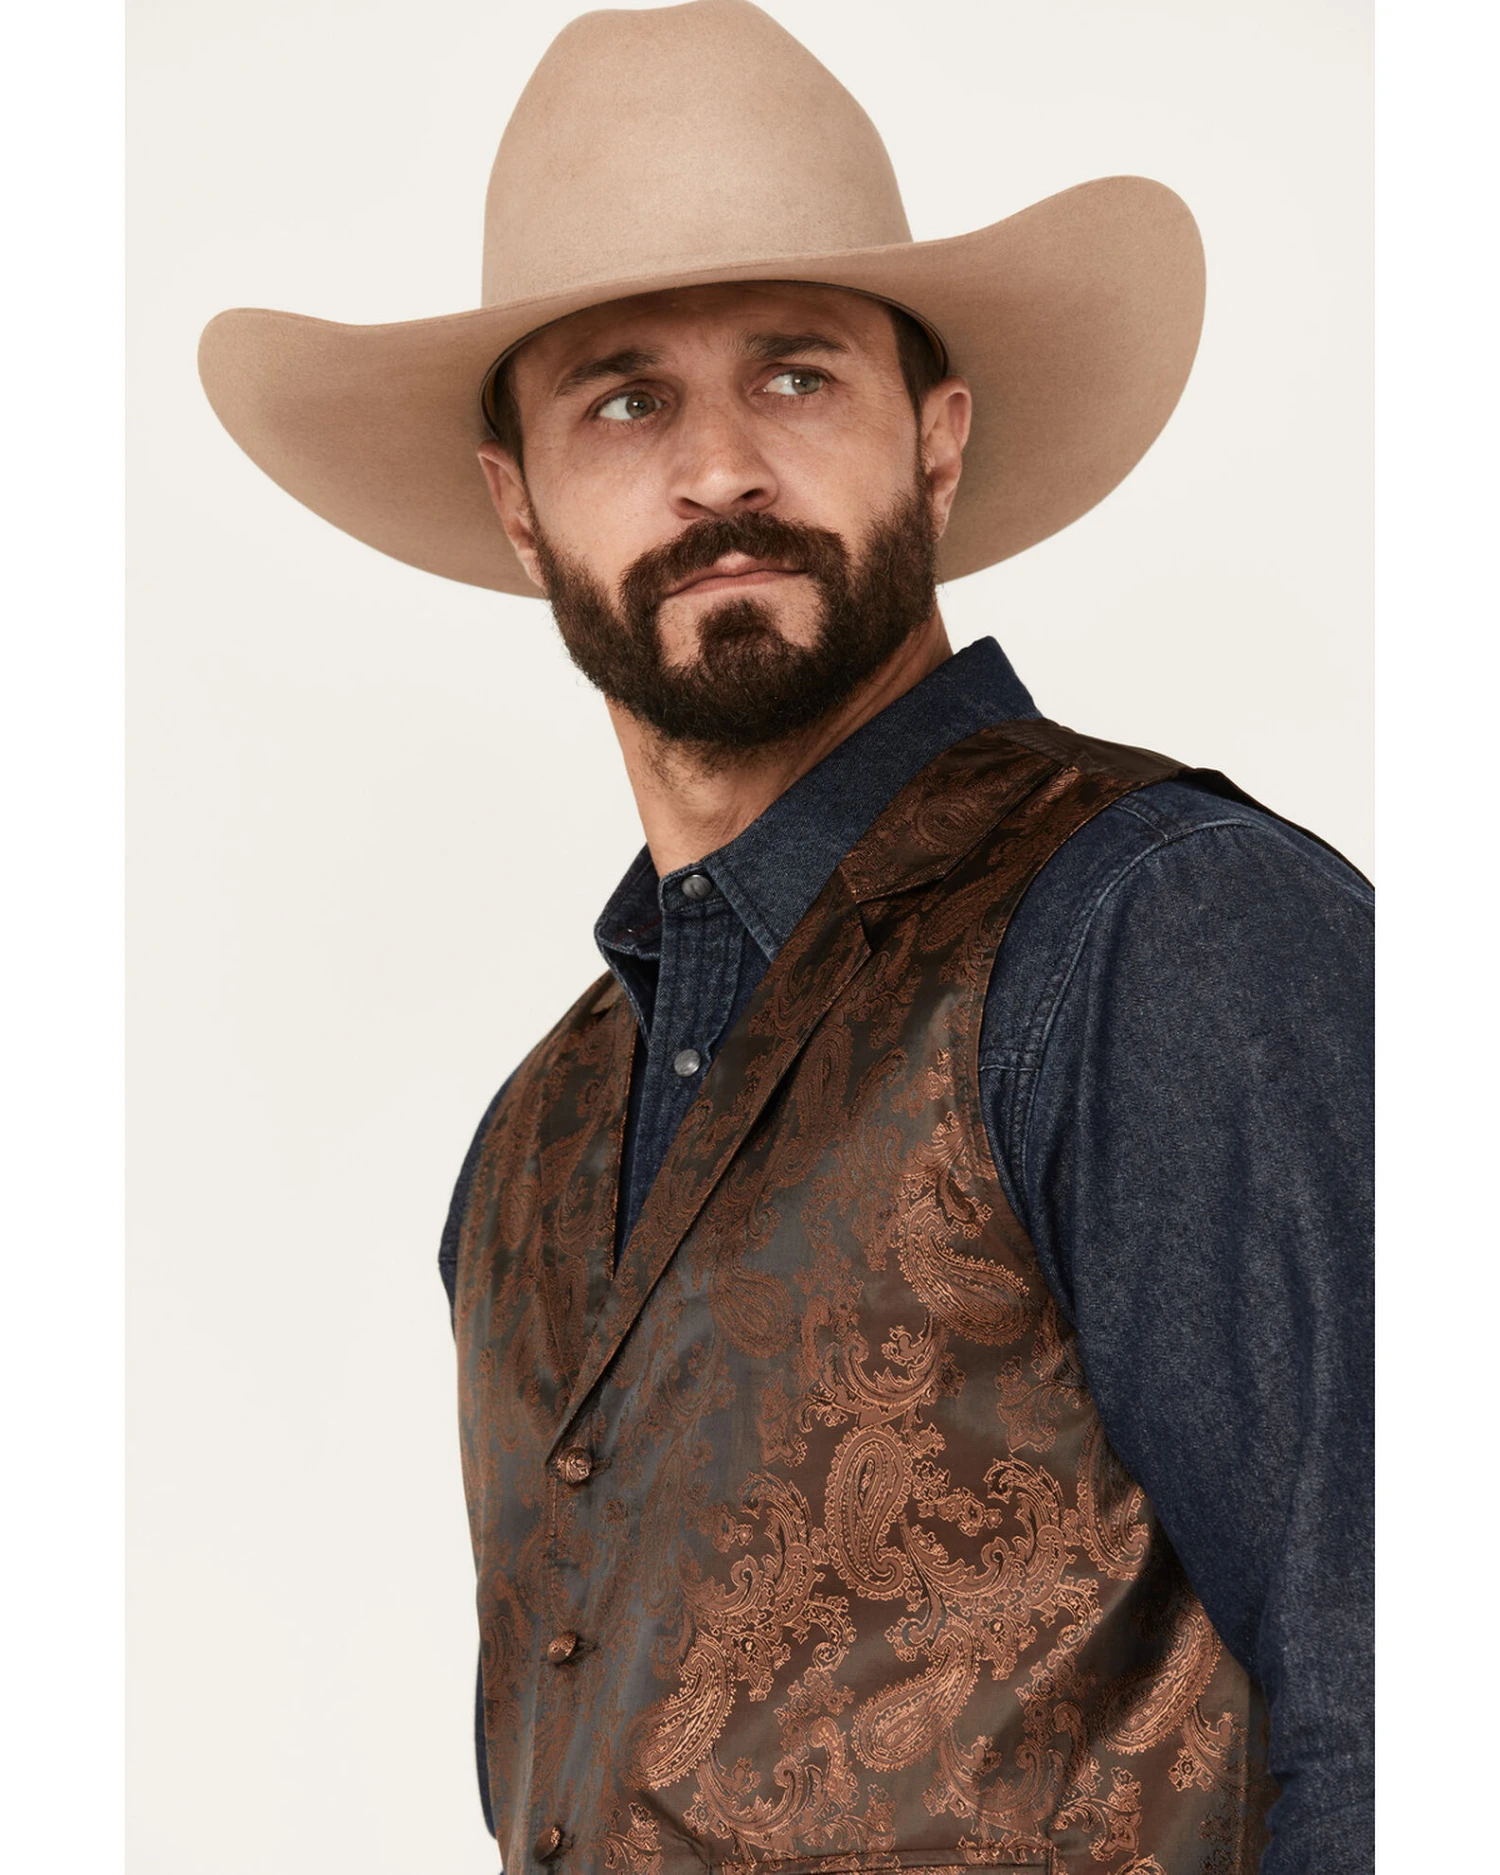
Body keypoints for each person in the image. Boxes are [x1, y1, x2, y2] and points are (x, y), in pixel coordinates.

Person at [199, 5, 1372, 1873]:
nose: (721, 468)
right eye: (624, 399)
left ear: (937, 441)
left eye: (798, 374)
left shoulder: (1156, 927)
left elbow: (1413, 1702)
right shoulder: (527, 1151)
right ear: (518, 506)